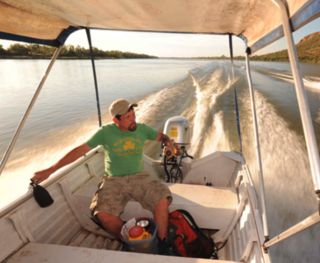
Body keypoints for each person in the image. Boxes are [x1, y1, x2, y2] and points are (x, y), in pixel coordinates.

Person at [31, 99, 175, 251]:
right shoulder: (105, 132)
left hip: (139, 177)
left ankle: (163, 243)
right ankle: (132, 242)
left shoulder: (142, 129)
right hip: (113, 180)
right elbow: (80, 151)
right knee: (103, 215)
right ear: (116, 120)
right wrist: (50, 170)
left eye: (133, 114)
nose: (133, 119)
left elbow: (162, 137)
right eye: (128, 117)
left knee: (161, 199)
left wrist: (169, 144)